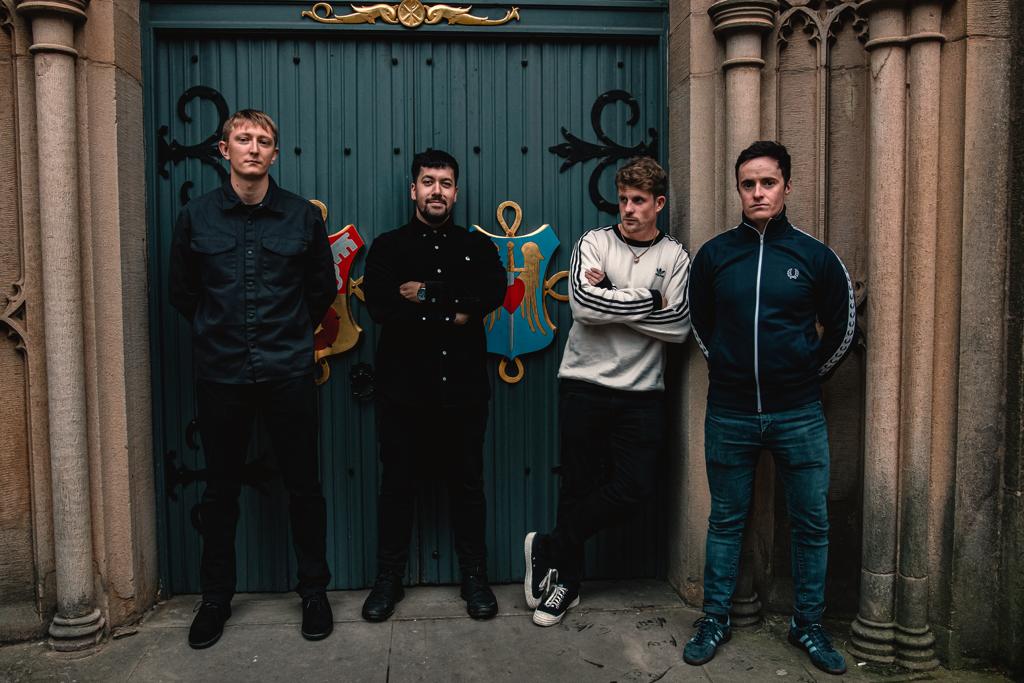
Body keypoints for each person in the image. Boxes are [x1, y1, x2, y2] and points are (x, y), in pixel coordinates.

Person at [683, 140, 856, 675]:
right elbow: (700, 322)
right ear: (738, 190)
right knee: (726, 520)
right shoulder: (715, 255)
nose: (758, 192)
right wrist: (729, 369)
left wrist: (805, 375)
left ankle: (808, 624)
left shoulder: (814, 256)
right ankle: (715, 618)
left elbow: (843, 326)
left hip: (799, 414)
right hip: (730, 413)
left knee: (811, 523)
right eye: (748, 184)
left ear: (787, 187)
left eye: (768, 183)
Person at [169, 109, 337, 648]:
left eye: (264, 141)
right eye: (243, 139)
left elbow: (321, 288)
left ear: (275, 154)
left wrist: (289, 333)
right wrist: (215, 331)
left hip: (288, 370)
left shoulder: (301, 217)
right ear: (224, 150)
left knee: (304, 486)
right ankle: (215, 599)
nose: (254, 148)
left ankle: (314, 591)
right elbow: (182, 291)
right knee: (220, 491)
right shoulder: (196, 217)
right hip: (222, 374)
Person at [523, 156, 691, 627]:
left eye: (638, 200)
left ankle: (550, 544)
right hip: (584, 384)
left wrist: (612, 297)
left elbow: (679, 326)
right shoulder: (594, 242)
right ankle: (566, 585)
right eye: (623, 200)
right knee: (577, 485)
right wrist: (649, 299)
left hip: (643, 392)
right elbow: (582, 306)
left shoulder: (674, 256)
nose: (628, 209)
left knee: (635, 488)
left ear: (659, 203)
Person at [361, 149, 505, 622]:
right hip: (403, 394)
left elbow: (492, 293)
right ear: (413, 190)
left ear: (456, 192)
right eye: (428, 182)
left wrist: (425, 293)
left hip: (463, 393)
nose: (436, 191)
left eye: (445, 183)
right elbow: (382, 307)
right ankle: (388, 579)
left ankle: (474, 577)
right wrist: (455, 311)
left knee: (468, 486)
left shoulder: (477, 247)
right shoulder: (387, 247)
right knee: (397, 487)